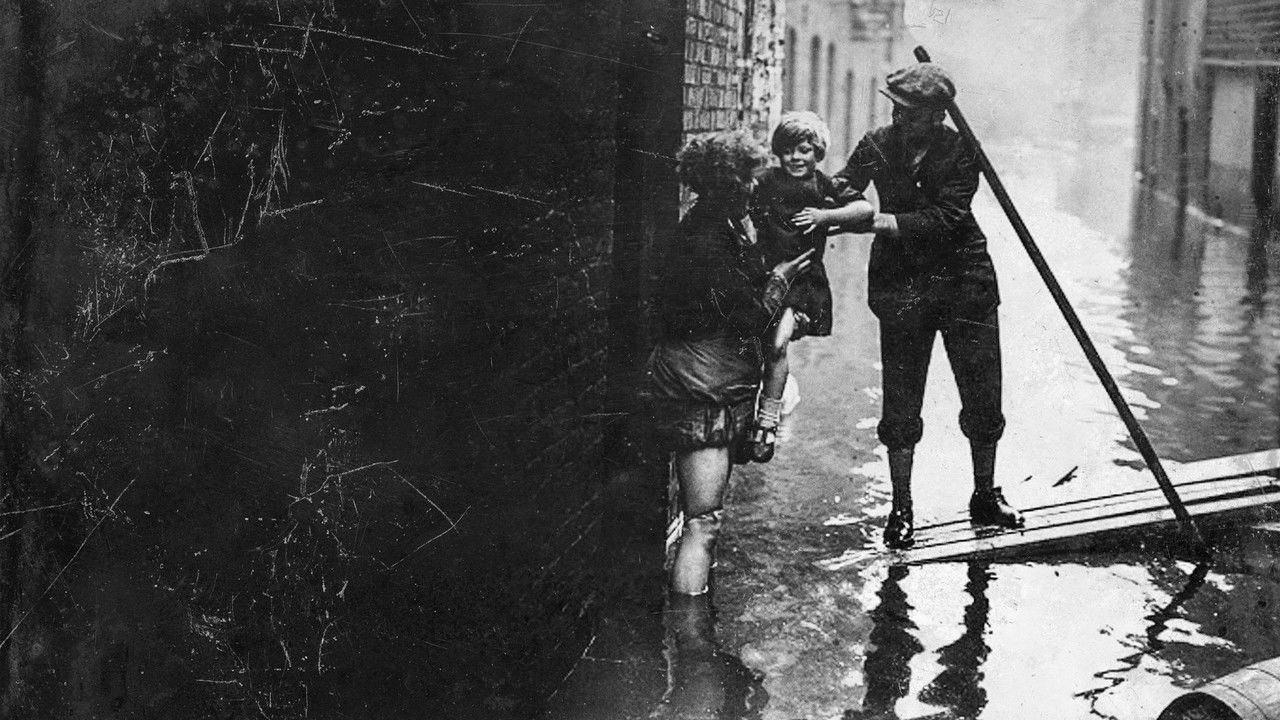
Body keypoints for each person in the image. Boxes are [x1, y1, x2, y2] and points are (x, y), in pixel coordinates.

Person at [834, 63, 1024, 549]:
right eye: (896, 108)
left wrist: (876, 222)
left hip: (964, 284)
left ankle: (985, 495)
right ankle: (901, 508)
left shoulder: (963, 151)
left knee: (982, 396)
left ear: (938, 115)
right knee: (900, 402)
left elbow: (946, 217)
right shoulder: (878, 142)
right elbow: (844, 181)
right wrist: (847, 199)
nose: (899, 118)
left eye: (911, 113)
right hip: (903, 287)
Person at [647, 130, 811, 594]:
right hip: (702, 389)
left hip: (710, 383)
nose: (756, 187)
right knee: (703, 522)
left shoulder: (719, 229)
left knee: (704, 520)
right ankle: (690, 629)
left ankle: (697, 616)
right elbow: (748, 316)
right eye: (749, 179)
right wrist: (779, 281)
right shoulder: (707, 241)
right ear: (730, 185)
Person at [746, 111, 874, 462]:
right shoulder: (767, 179)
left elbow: (864, 209)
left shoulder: (823, 185)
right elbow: (742, 192)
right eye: (788, 150)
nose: (795, 158)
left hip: (803, 281)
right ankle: (756, 417)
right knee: (761, 344)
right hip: (765, 274)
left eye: (804, 150)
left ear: (817, 152)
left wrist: (825, 216)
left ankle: (767, 422)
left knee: (777, 342)